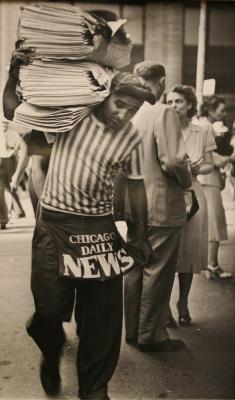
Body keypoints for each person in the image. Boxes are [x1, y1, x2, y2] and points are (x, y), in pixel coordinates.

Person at [4, 47, 155, 399]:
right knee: (48, 313)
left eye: (132, 110)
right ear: (105, 95)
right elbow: (14, 110)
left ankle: (95, 389)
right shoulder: (72, 115)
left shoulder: (132, 137)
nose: (123, 115)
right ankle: (50, 349)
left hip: (100, 229)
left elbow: (136, 186)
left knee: (104, 319)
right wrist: (15, 72)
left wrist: (140, 234)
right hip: (55, 225)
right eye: (120, 104)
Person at [121, 61, 192, 352]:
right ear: (161, 82)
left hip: (134, 204)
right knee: (158, 270)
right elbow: (173, 160)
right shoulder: (162, 112)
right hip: (161, 202)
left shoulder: (130, 113)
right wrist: (186, 182)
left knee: (136, 266)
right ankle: (151, 335)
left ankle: (133, 330)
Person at [166, 85, 216, 327]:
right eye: (171, 101)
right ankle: (163, 305)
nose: (174, 106)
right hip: (168, 192)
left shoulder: (203, 130)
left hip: (194, 194)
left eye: (179, 102)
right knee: (166, 250)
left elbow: (210, 164)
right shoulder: (163, 129)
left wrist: (197, 168)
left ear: (189, 105)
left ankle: (183, 301)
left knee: (188, 251)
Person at [197, 96, 232, 279]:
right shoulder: (208, 128)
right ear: (211, 110)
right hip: (209, 179)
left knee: (206, 222)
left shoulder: (200, 124)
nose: (224, 113)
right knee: (215, 222)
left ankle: (207, 263)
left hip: (202, 179)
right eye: (221, 109)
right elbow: (211, 158)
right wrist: (229, 159)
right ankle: (212, 264)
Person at [0, 114, 28, 229]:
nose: (4, 125)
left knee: (10, 187)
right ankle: (2, 219)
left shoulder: (13, 134)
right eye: (2, 122)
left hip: (10, 162)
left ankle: (18, 211)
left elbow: (20, 146)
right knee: (0, 191)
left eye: (6, 122)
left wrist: (14, 150)